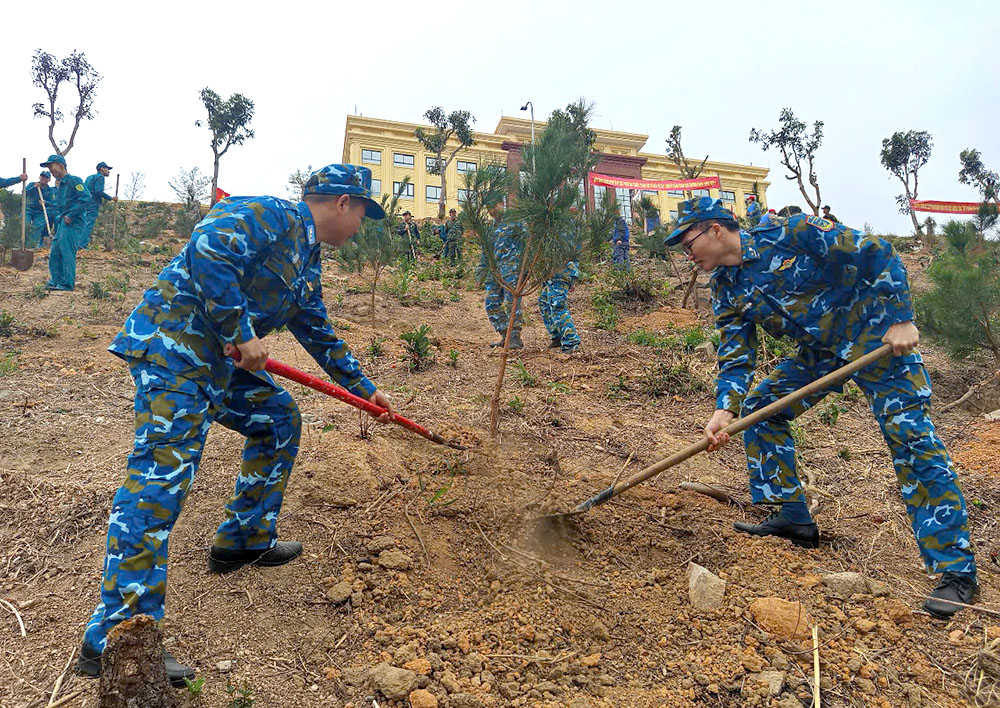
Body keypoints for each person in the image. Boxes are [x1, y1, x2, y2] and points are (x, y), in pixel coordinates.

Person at [77, 164, 395, 686]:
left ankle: (244, 538)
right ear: (341, 203)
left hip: (217, 367)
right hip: (174, 354)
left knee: (278, 418)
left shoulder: (307, 262)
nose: (362, 225)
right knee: (159, 484)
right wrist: (241, 330)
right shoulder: (269, 213)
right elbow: (208, 249)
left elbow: (319, 332)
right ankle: (113, 639)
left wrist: (364, 391)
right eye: (362, 212)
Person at [667, 196, 977, 620]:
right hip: (821, 353)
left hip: (876, 338)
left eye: (688, 244)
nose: (689, 256)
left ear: (715, 229)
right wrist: (725, 410)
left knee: (912, 443)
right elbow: (737, 357)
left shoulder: (793, 233)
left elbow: (877, 253)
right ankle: (793, 517)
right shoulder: (725, 287)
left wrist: (900, 316)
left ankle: (956, 571)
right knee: (762, 410)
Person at [477, 200, 524, 349]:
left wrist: (526, 268)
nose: (491, 210)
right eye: (488, 208)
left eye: (493, 206)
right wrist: (481, 274)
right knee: (491, 303)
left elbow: (528, 244)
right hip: (494, 271)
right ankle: (506, 335)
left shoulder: (515, 222)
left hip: (512, 267)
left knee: (512, 302)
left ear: (501, 203)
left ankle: (515, 337)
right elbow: (486, 252)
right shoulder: (490, 228)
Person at [41, 154, 90, 291]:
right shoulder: (59, 185)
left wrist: (71, 214)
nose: (50, 170)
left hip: (73, 222)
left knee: (67, 251)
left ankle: (67, 284)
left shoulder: (74, 181)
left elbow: (86, 198)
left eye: (51, 166)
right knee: (55, 252)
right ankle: (56, 280)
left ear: (61, 166)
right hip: (62, 222)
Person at [538, 258, 581, 353]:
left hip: (561, 271)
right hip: (551, 274)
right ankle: (558, 335)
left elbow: (573, 252)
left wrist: (571, 276)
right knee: (543, 302)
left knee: (558, 305)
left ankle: (571, 342)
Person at [81, 161, 117, 248]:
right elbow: (98, 191)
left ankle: (78, 243)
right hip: (93, 203)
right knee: (88, 224)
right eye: (107, 169)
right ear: (102, 169)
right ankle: (82, 245)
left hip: (85, 202)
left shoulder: (89, 177)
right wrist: (111, 198)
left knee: (83, 223)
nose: (109, 171)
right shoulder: (100, 177)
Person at [25, 171, 55, 248]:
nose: (43, 178)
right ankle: (21, 244)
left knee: (37, 227)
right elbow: (24, 193)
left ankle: (30, 247)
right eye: (42, 176)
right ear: (39, 177)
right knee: (25, 224)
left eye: (46, 177)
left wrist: (45, 202)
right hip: (28, 209)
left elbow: (52, 203)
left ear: (49, 180)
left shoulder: (50, 190)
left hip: (40, 212)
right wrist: (33, 187)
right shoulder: (32, 184)